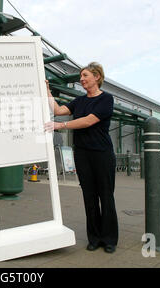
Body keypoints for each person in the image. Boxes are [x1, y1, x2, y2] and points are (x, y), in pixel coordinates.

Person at [44, 62, 118, 253]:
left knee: (106, 196)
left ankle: (109, 239)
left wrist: (60, 126)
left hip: (102, 154)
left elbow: (88, 121)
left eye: (85, 75)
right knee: (89, 197)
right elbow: (58, 111)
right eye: (81, 76)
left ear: (97, 77)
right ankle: (94, 238)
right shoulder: (79, 101)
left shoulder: (106, 99)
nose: (81, 79)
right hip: (83, 154)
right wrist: (47, 91)